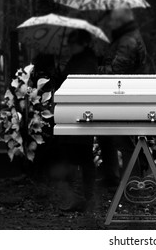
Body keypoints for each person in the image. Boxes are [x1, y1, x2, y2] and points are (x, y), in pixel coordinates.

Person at [97, 6, 147, 188]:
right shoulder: (126, 37)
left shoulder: (128, 40)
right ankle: (114, 178)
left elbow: (117, 71)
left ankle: (132, 184)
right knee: (108, 135)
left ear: (120, 21)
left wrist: (96, 70)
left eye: (113, 20)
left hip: (126, 95)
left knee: (122, 139)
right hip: (124, 94)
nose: (110, 23)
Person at [56, 29, 98, 211]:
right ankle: (80, 197)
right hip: (74, 112)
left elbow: (75, 84)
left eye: (73, 43)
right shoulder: (79, 60)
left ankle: (83, 198)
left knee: (81, 156)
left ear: (82, 44)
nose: (70, 47)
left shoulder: (86, 62)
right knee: (76, 156)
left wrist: (61, 77)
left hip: (79, 113)